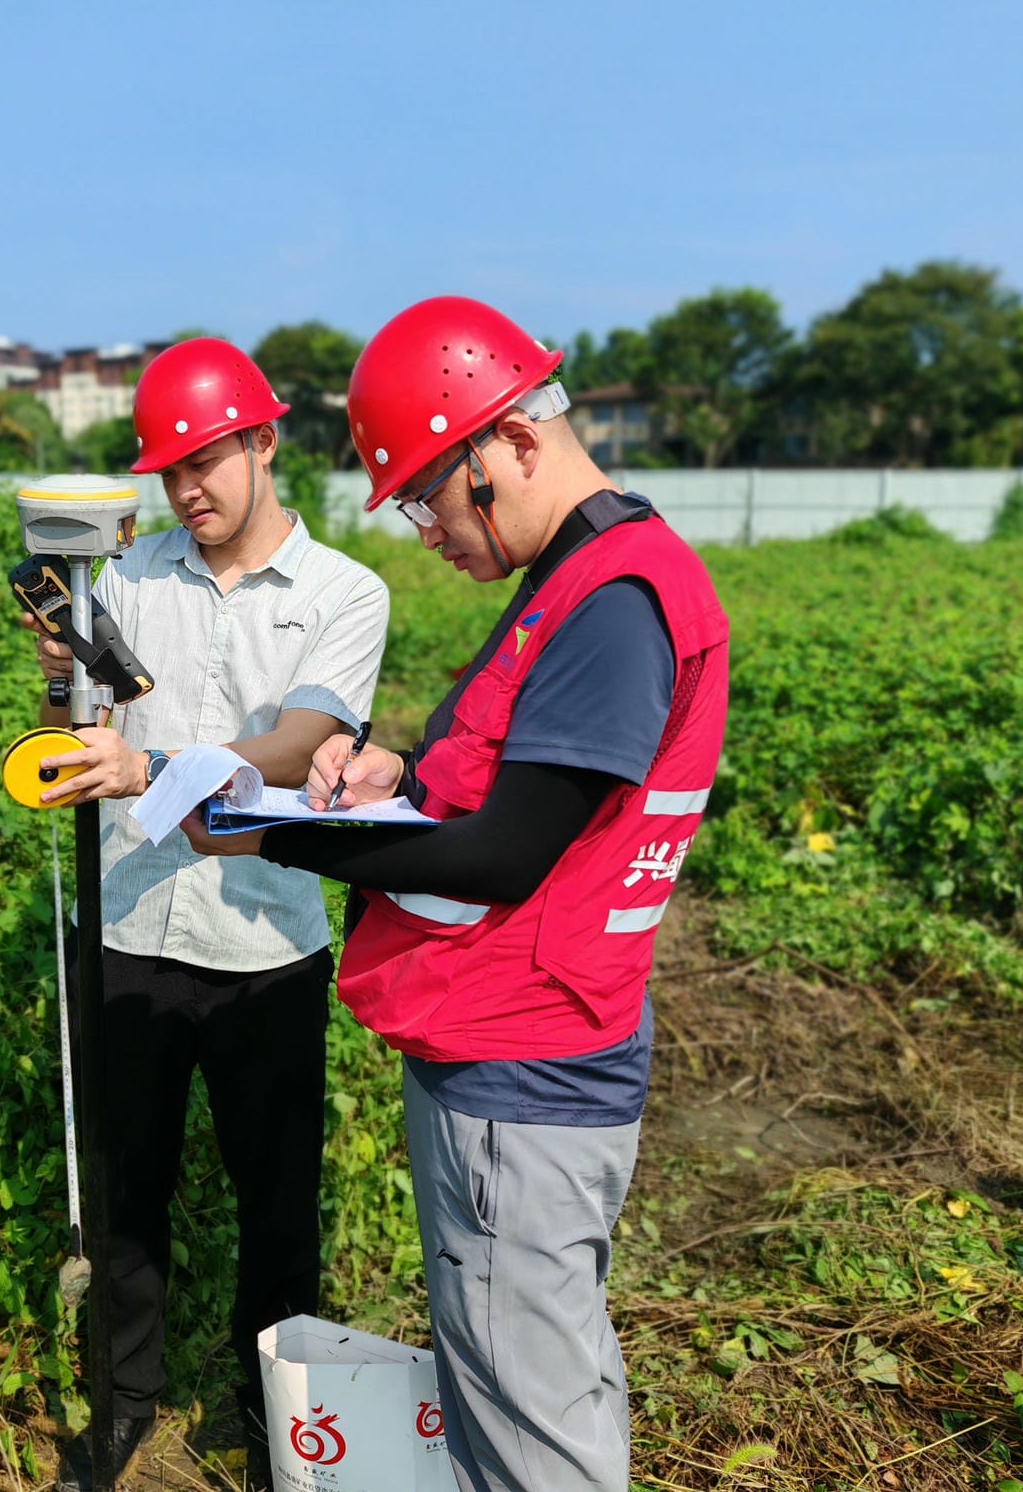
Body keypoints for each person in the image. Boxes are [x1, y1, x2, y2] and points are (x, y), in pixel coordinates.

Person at [184, 297, 729, 1492]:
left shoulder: (611, 606)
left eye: (431, 493)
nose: (425, 529)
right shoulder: (578, 585)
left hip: (519, 1074)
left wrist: (272, 836)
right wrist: (403, 776)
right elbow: (500, 795)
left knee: (530, 1426)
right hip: (528, 1054)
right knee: (532, 1382)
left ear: (514, 448)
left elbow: (503, 859)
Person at [21, 337, 391, 1490]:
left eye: (210, 459)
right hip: (130, 927)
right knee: (131, 1182)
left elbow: (300, 742)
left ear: (266, 442)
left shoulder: (345, 593)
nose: (190, 489)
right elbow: (78, 723)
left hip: (268, 942)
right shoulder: (128, 580)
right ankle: (125, 1404)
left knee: (276, 1193)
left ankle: (278, 1414)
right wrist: (56, 660)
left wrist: (155, 769)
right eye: (171, 468)